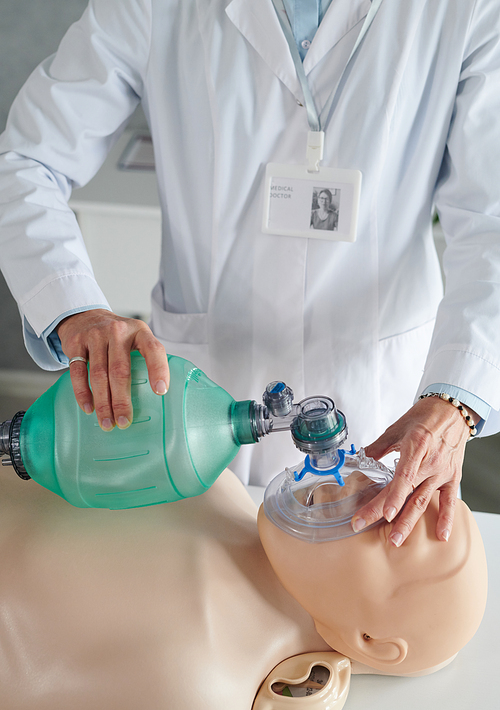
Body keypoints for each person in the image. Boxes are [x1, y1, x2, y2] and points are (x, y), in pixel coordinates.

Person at [1, 0, 500, 547]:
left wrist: (457, 399)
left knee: (360, 598)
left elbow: (493, 222)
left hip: (388, 403)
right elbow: (26, 162)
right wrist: (72, 307)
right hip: (191, 416)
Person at [0, 467, 488, 710]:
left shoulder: (197, 693)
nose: (357, 475)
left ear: (372, 644)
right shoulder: (212, 483)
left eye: (390, 530)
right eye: (388, 484)